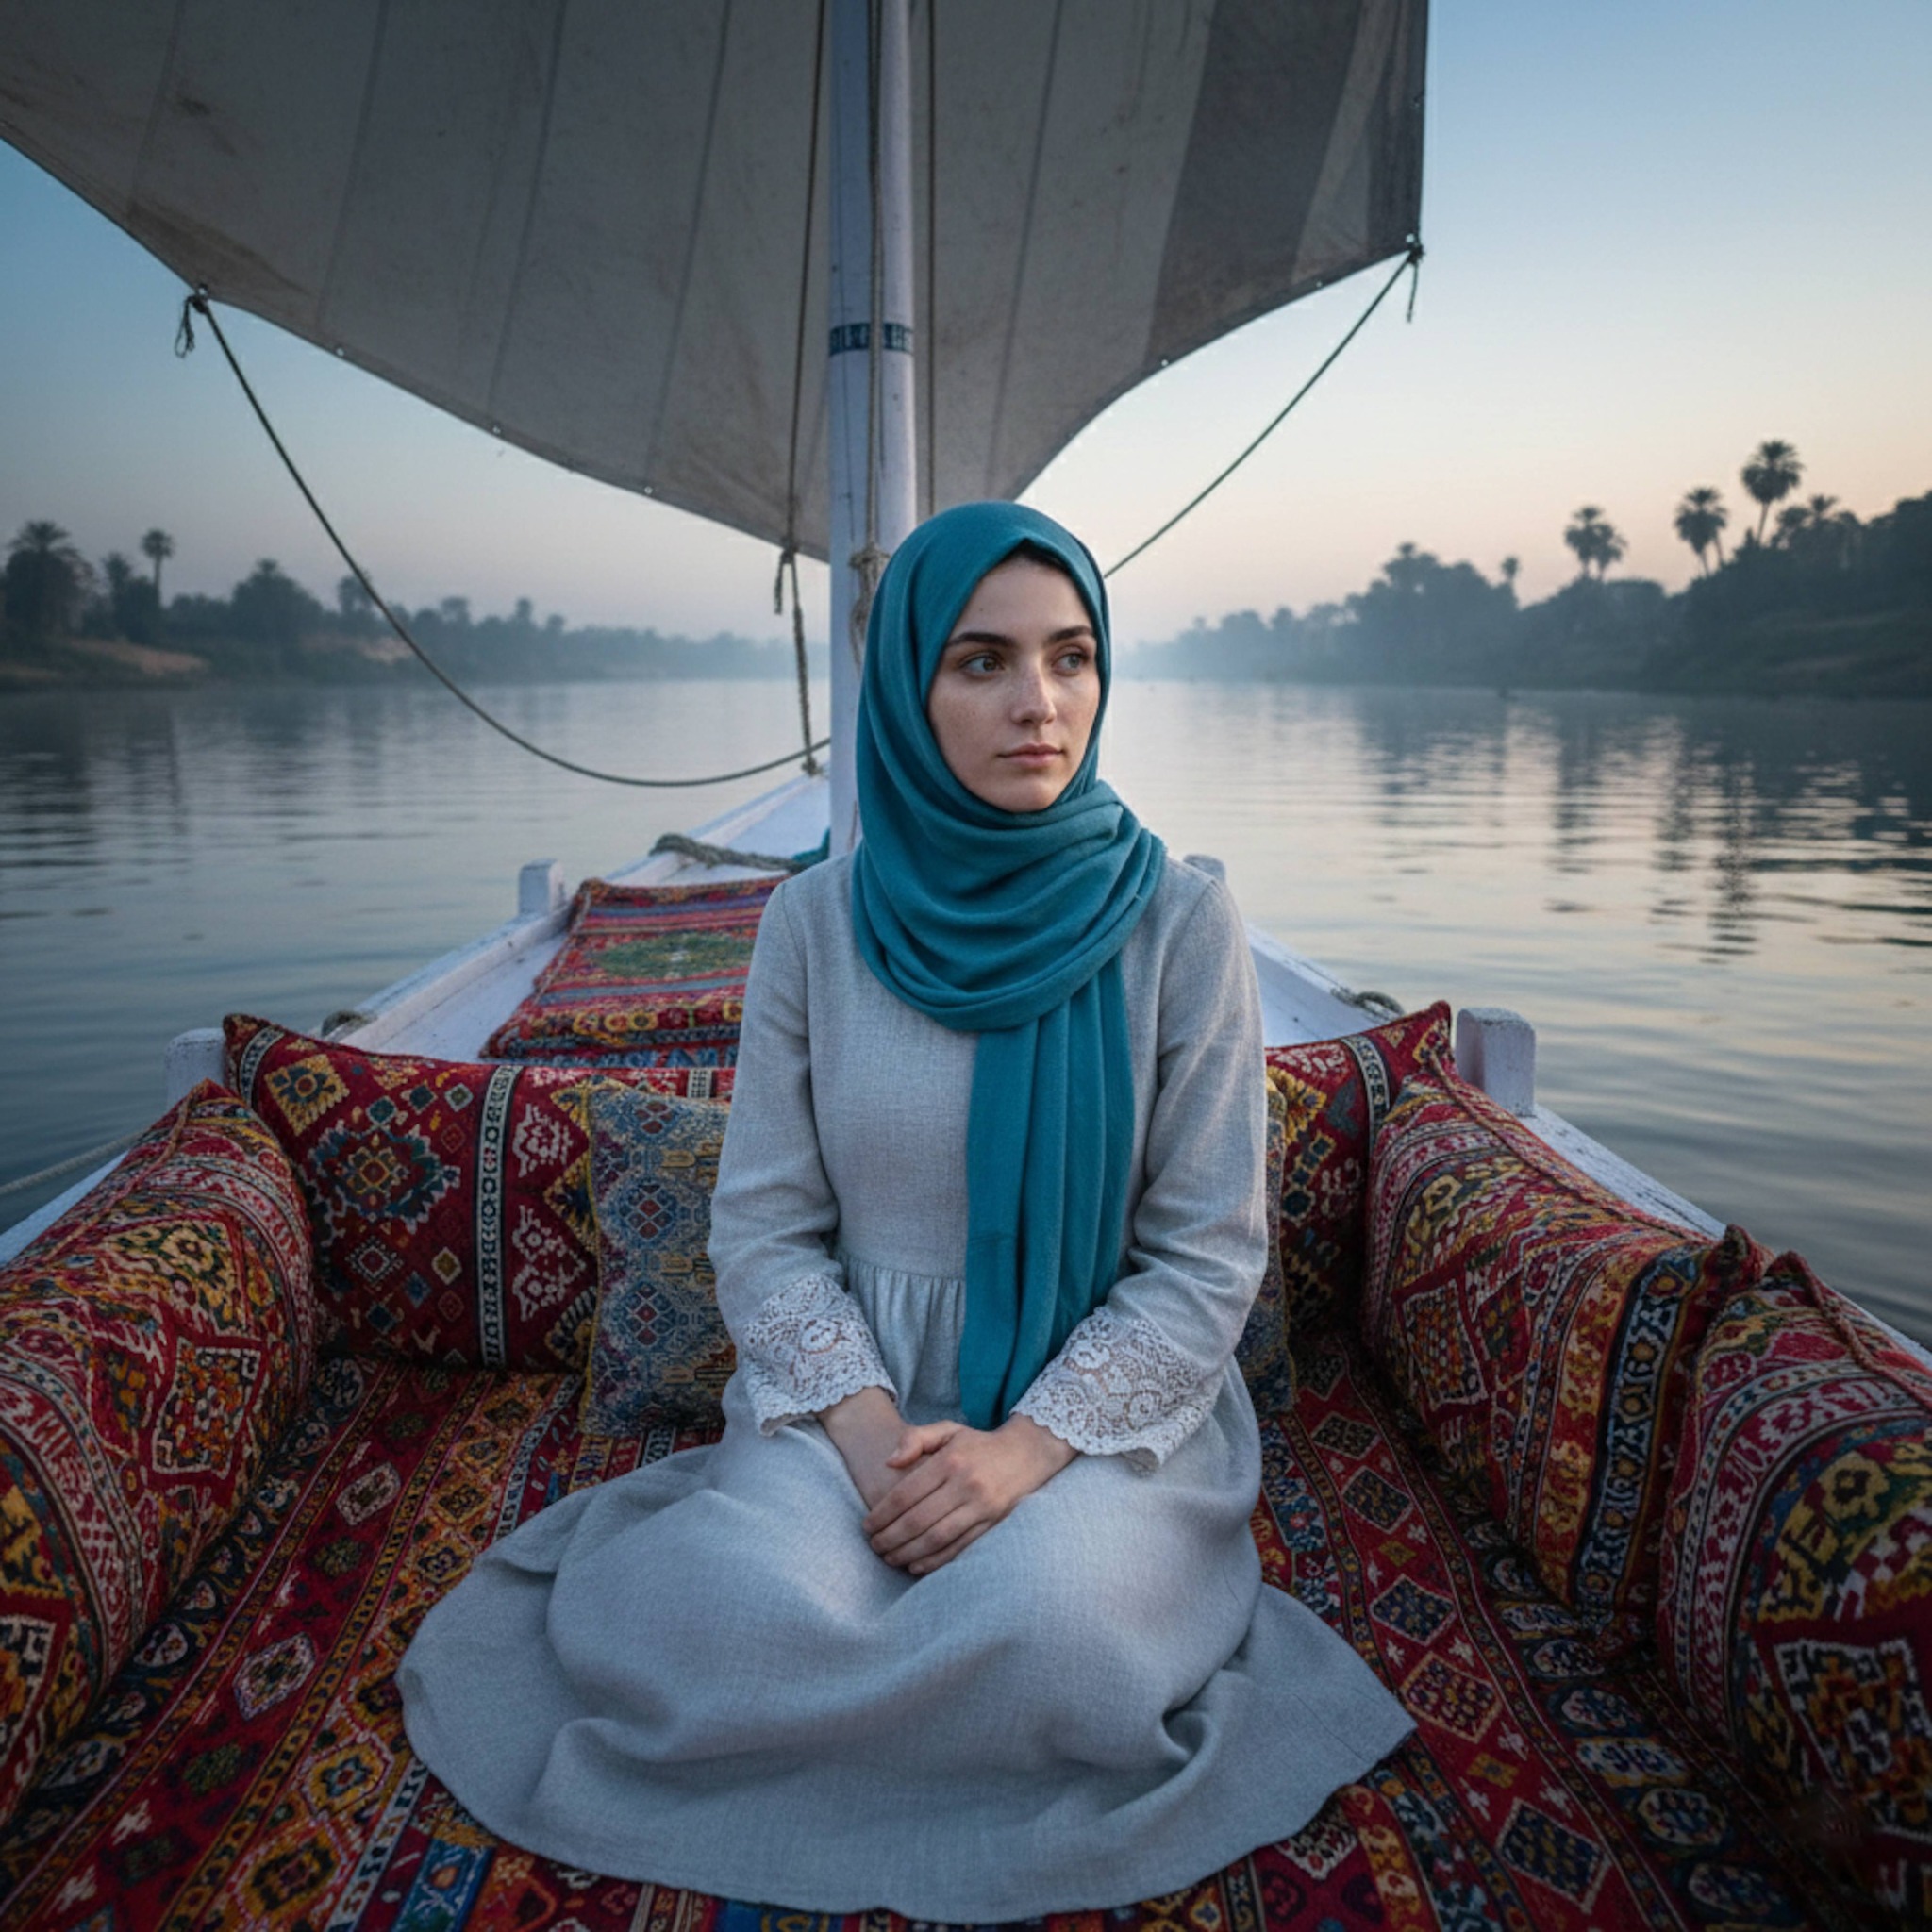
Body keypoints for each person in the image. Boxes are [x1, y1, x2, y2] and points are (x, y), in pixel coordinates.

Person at [398, 502, 1412, 1920]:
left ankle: (990, 1664)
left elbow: (1204, 1257)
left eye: (1071, 658)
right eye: (982, 662)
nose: (1038, 704)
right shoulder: (816, 922)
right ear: (906, 688)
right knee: (731, 1623)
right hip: (844, 1396)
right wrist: (873, 1440)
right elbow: (762, 1230)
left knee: (1063, 1642)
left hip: (1101, 1413)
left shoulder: (1180, 924)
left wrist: (1017, 1457)